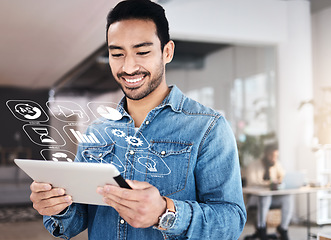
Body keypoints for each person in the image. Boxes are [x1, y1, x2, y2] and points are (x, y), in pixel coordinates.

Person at [29, 0, 247, 239]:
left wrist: (166, 213)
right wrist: (58, 207)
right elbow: (77, 220)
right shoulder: (96, 132)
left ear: (167, 52)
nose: (128, 66)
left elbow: (231, 221)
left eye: (142, 52)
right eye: (117, 54)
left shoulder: (208, 127)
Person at [245, 143, 293, 240]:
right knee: (265, 197)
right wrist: (269, 183)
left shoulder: (276, 164)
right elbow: (251, 181)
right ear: (266, 154)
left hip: (271, 198)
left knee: (287, 197)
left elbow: (283, 177)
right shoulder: (253, 165)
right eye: (272, 155)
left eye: (276, 156)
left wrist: (280, 181)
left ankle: (283, 228)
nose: (274, 158)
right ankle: (261, 227)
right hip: (254, 198)